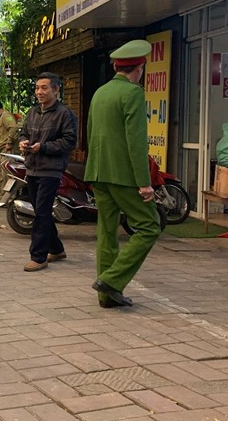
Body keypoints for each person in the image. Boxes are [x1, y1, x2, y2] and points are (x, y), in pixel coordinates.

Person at [84, 40, 161, 308]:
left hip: (98, 172)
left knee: (107, 232)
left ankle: (106, 297)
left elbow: (90, 133)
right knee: (150, 227)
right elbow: (136, 142)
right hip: (124, 175)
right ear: (139, 68)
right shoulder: (133, 94)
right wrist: (145, 183)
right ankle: (112, 281)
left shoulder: (100, 93)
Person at [18, 72, 77, 272]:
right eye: (37, 88)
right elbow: (24, 132)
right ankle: (57, 249)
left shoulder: (64, 114)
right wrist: (23, 141)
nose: (39, 92)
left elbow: (69, 141)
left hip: (51, 169)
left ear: (56, 90)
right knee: (40, 211)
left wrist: (43, 147)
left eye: (44, 88)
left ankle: (39, 256)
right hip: (32, 167)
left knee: (42, 212)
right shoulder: (33, 112)